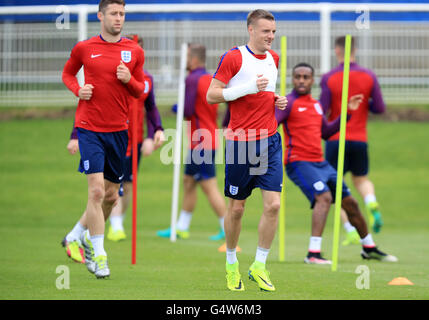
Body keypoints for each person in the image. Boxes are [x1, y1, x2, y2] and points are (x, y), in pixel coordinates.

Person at [275, 62, 397, 265]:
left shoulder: (316, 105)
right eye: (298, 77)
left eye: (306, 77)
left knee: (351, 203)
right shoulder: (287, 103)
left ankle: (369, 247)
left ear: (313, 80)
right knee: (324, 197)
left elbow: (327, 132)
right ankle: (313, 253)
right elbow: (272, 123)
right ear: (292, 79)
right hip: (299, 163)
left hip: (321, 164)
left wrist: (347, 113)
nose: (302, 80)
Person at [61, 0, 145, 279]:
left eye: (122, 13)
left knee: (111, 196)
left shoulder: (134, 51)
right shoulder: (84, 48)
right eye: (113, 13)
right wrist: (78, 89)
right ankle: (99, 255)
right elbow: (67, 73)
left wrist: (127, 80)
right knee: (96, 191)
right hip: (89, 129)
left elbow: (139, 91)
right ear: (101, 16)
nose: (118, 18)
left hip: (119, 131)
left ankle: (81, 236)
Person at [206, 9, 287, 292]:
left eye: (273, 32)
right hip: (241, 144)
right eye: (266, 31)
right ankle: (231, 265)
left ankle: (259, 265)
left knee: (274, 205)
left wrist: (276, 100)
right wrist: (248, 88)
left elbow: (263, 95)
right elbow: (212, 94)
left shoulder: (275, 59)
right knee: (237, 209)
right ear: (251, 30)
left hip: (270, 140)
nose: (271, 37)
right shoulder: (233, 57)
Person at [156, 43, 227, 242]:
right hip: (207, 138)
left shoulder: (192, 79)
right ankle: (181, 227)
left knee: (208, 185)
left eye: (187, 58)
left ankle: (226, 226)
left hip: (200, 141)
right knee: (189, 182)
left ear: (194, 60)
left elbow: (187, 109)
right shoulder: (210, 79)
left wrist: (175, 106)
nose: (184, 62)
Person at [320, 36, 386, 243]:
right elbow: (380, 108)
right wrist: (366, 102)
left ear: (336, 50)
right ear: (354, 50)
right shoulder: (369, 76)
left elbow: (322, 110)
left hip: (335, 137)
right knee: (361, 179)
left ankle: (349, 228)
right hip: (359, 138)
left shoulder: (329, 77)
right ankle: (371, 201)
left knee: (336, 186)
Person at [107, 34, 164, 242]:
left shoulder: (146, 79)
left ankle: (117, 222)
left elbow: (151, 108)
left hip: (137, 139)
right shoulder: (113, 74)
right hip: (114, 136)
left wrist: (154, 133)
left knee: (128, 185)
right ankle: (114, 225)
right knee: (114, 183)